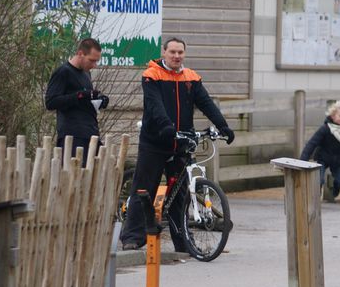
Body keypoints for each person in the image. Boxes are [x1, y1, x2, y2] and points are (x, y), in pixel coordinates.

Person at [120, 37, 235, 252]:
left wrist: (223, 126)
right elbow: (154, 106)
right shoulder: (151, 76)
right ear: (164, 53)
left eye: (180, 52)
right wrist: (166, 127)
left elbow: (206, 104)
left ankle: (183, 242)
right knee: (144, 189)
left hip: (181, 142)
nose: (176, 56)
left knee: (181, 194)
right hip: (155, 141)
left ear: (184, 54)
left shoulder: (190, 77)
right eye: (172, 52)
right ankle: (133, 236)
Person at [44, 38, 109, 161]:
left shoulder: (86, 74)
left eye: (96, 61)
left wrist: (99, 100)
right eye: (92, 60)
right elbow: (50, 102)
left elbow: (85, 100)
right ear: (80, 54)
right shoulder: (63, 72)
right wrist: (78, 96)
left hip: (90, 132)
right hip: (72, 135)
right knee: (73, 176)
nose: (94, 65)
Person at [299, 100, 340, 200]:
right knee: (319, 180)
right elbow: (312, 143)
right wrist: (303, 160)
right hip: (323, 158)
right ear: (333, 116)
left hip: (337, 161)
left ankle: (335, 188)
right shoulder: (325, 129)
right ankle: (315, 196)